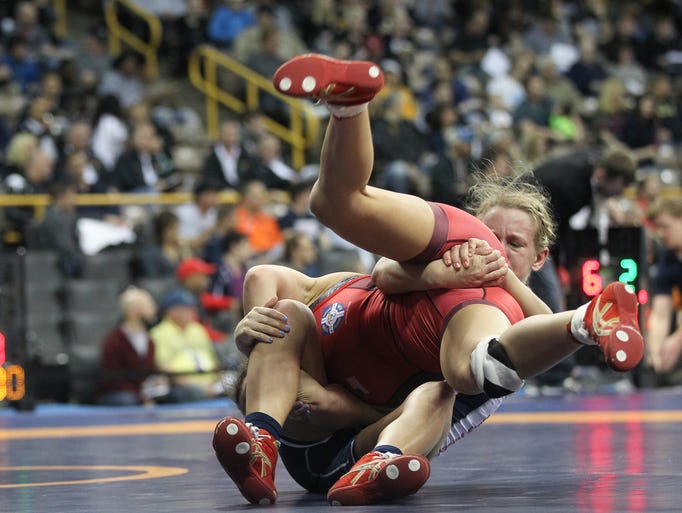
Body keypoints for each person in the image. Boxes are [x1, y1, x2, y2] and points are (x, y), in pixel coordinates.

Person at [211, 54, 646, 505]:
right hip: (320, 390)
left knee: (452, 381)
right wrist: (251, 327)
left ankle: (384, 456)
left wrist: (507, 284)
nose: (494, 249)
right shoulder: (428, 261)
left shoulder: (504, 313)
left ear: (539, 260)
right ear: (474, 227)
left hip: (355, 436)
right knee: (323, 233)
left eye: (511, 245)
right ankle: (349, 108)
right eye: (491, 236)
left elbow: (525, 332)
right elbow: (365, 274)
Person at [96, 287, 169, 406]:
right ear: (132, 311)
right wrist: (141, 397)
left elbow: (148, 373)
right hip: (118, 394)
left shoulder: (149, 340)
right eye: (147, 306)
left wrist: (157, 382)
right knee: (127, 400)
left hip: (142, 393)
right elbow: (113, 380)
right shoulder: (114, 340)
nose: (153, 310)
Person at [150, 288, 223, 402]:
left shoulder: (197, 329)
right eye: (186, 309)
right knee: (192, 393)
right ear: (171, 312)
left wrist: (217, 381)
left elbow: (213, 361)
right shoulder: (159, 333)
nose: (191, 312)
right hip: (180, 386)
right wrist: (200, 387)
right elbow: (164, 368)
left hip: (210, 382)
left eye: (191, 309)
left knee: (233, 386)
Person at [646, 197, 682, 379]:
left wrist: (677, 340)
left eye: (664, 226)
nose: (660, 234)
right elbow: (661, 313)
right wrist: (655, 350)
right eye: (656, 228)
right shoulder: (669, 258)